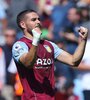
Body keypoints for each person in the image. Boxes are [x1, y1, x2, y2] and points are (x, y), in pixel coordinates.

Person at [12, 9, 88, 100]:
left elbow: (73, 61)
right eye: (33, 20)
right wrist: (35, 40)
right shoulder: (20, 45)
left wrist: (83, 40)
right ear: (22, 24)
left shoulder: (49, 45)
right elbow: (28, 63)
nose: (38, 22)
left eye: (39, 19)